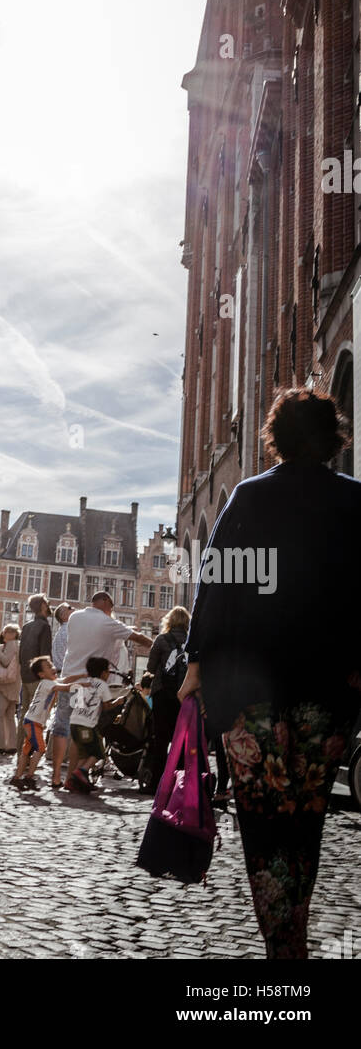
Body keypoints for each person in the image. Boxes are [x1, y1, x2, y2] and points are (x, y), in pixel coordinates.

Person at [180, 388, 361, 960]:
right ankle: (293, 941)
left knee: (262, 826)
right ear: (335, 437)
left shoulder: (249, 498)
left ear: (274, 438)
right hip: (326, 693)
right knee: (306, 820)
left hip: (250, 696)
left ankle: (283, 948)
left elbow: (215, 586)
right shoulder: (355, 504)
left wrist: (195, 664)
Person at [51, 593, 152, 787]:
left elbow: (94, 633)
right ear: (106, 602)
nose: (111, 611)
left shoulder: (75, 617)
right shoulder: (107, 622)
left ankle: (56, 776)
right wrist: (157, 645)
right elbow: (137, 637)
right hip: (86, 686)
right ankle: (72, 777)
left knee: (61, 728)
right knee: (81, 730)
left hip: (67, 678)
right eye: (111, 606)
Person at [65, 656, 126, 794]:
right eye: (108, 671)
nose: (109, 673)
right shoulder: (103, 685)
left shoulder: (84, 682)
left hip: (74, 722)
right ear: (103, 673)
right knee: (99, 752)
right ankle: (81, 772)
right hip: (86, 725)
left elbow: (76, 703)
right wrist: (118, 702)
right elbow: (106, 706)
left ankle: (72, 781)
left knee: (85, 755)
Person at [12, 655, 74, 790]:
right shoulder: (48, 683)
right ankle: (29, 777)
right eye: (49, 666)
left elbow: (66, 680)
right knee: (40, 749)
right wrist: (83, 684)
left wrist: (80, 675)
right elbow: (65, 687)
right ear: (41, 674)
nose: (53, 667)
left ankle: (17, 778)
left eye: (52, 665)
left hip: (33, 721)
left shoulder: (51, 682)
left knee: (26, 751)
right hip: (33, 722)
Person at [145, 605, 191, 784]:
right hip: (184, 695)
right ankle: (178, 782)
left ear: (169, 621)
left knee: (161, 738)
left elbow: (150, 668)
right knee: (181, 739)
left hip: (162, 693)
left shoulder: (162, 639)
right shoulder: (192, 641)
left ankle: (157, 781)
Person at [16, 594, 52, 752]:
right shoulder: (44, 627)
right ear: (43, 606)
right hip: (38, 678)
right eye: (47, 602)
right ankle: (29, 753)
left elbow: (21, 655)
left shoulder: (26, 626)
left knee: (24, 716)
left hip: (25, 677)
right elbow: (44, 656)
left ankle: (20, 753)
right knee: (36, 719)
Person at [0, 623, 20, 753]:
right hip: (14, 685)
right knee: (9, 716)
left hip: (3, 685)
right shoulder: (19, 645)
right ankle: (11, 745)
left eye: (6, 631)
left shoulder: (11, 645)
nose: (3, 633)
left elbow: (6, 661)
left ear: (11, 634)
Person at [52, 603, 72, 672]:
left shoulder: (62, 630)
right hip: (67, 673)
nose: (73, 609)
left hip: (62, 671)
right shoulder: (69, 630)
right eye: (69, 608)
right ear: (62, 616)